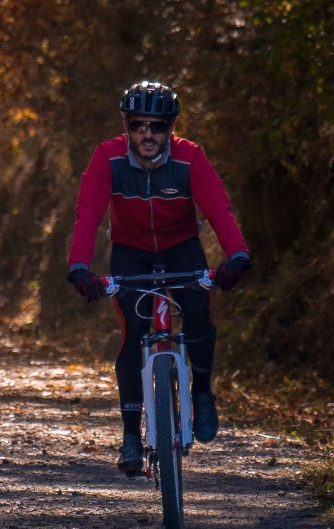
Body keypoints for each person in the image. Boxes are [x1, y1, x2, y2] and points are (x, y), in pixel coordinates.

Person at [66, 80, 251, 476]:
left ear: (171, 129)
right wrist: (80, 266)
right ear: (127, 127)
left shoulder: (190, 158)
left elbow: (219, 209)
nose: (147, 135)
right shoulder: (107, 157)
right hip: (131, 252)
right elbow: (88, 215)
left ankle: (202, 392)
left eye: (157, 127)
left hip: (181, 247)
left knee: (198, 314)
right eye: (138, 125)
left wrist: (237, 255)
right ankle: (130, 436)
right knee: (133, 333)